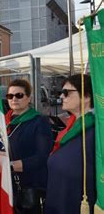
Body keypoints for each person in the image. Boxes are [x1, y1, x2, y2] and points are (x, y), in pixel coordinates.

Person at [45, 74, 96, 214]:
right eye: (61, 93)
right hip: (59, 199)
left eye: (66, 93)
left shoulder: (97, 130)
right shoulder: (72, 126)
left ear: (86, 97)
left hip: (75, 203)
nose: (61, 97)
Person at [6, 79, 53, 214]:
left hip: (30, 185)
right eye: (10, 96)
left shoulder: (39, 121)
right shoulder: (5, 120)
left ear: (29, 98)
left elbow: (42, 157)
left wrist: (10, 166)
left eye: (19, 95)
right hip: (8, 184)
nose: (14, 99)